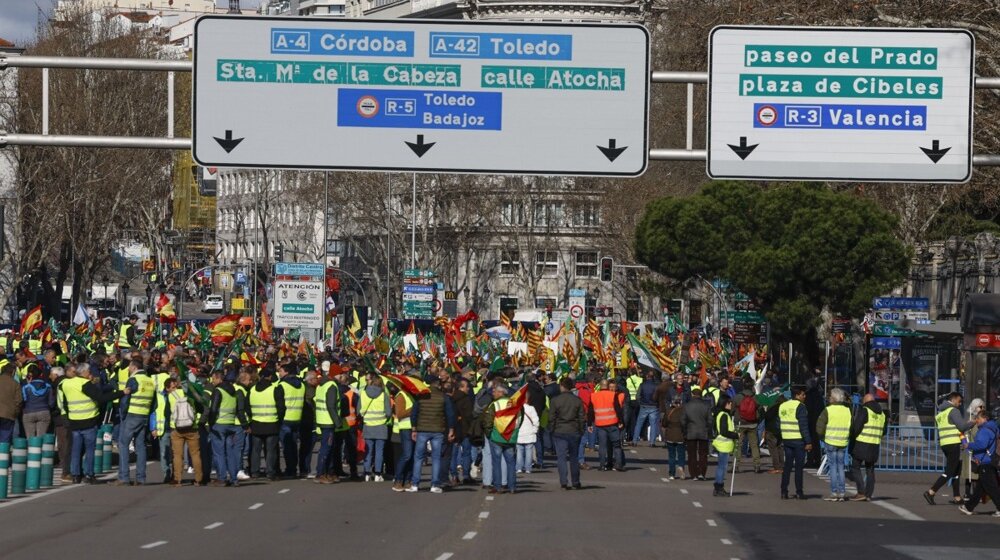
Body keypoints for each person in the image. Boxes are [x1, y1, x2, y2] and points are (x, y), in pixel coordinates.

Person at [58, 363, 123, 483]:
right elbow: (101, 397)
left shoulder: (65, 383)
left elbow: (63, 402)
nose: (90, 374)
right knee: (89, 450)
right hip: (88, 421)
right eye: (89, 371)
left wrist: (68, 415)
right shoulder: (85, 384)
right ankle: (89, 475)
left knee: (76, 450)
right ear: (83, 372)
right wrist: (121, 393)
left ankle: (76, 475)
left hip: (74, 421)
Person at [924, 392, 975, 505]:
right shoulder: (953, 411)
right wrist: (972, 423)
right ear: (953, 399)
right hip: (953, 443)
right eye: (959, 401)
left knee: (956, 470)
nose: (960, 404)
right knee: (950, 471)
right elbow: (962, 427)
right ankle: (931, 492)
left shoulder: (941, 413)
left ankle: (957, 497)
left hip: (945, 443)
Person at [113, 358, 156, 486]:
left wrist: (123, 414)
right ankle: (141, 478)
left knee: (123, 444)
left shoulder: (133, 379)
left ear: (134, 367)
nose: (128, 369)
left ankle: (124, 477)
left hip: (132, 414)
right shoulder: (150, 380)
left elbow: (126, 399)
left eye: (130, 367)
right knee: (140, 446)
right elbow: (154, 403)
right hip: (144, 415)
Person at [409, 377, 456, 493]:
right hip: (438, 430)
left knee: (418, 457)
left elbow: (414, 413)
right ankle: (435, 484)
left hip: (422, 429)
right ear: (439, 385)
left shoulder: (421, 396)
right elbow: (450, 414)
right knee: (436, 458)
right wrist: (451, 429)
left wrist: (414, 429)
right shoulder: (443, 397)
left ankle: (415, 484)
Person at [207, 369, 248, 487]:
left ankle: (222, 478)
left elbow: (214, 408)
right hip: (231, 424)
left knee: (219, 453)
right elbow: (238, 409)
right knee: (230, 453)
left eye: (213, 379)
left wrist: (211, 423)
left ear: (218, 378)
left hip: (219, 424)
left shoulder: (218, 391)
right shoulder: (233, 391)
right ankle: (234, 478)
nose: (212, 381)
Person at [160, 377, 203, 486]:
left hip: (177, 429)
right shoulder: (189, 395)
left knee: (177, 455)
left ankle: (177, 479)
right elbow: (200, 409)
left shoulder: (170, 396)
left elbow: (166, 413)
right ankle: (198, 479)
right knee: (195, 454)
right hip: (192, 427)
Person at [959, 410, 1000, 516]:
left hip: (985, 461)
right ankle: (968, 507)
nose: (976, 420)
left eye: (978, 418)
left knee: (992, 488)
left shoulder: (984, 430)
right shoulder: (993, 427)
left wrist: (968, 445)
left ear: (985, 418)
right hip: (989, 460)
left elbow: (981, 444)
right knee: (980, 488)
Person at [483, 383, 521, 494]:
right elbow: (520, 418)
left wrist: (489, 434)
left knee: (496, 462)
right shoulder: (515, 403)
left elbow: (488, 421)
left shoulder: (494, 404)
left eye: (494, 391)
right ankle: (512, 487)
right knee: (511, 463)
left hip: (497, 437)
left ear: (501, 392)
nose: (493, 393)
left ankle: (498, 486)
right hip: (510, 437)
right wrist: (514, 431)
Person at [248, 370, 285, 481]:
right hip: (272, 424)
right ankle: (270, 472)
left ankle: (254, 471)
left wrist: (251, 418)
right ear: (269, 377)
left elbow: (247, 406)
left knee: (255, 450)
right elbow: (281, 408)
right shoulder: (275, 389)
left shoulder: (252, 389)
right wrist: (279, 420)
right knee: (271, 450)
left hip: (256, 424)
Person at [549, 375, 585, 490]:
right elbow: (581, 418)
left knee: (561, 457)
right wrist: (581, 430)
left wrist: (552, 429)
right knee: (574, 457)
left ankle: (563, 481)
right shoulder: (577, 400)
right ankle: (575, 481)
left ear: (562, 386)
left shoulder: (555, 400)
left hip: (560, 431)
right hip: (574, 430)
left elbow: (552, 417)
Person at [849, 394, 886, 502]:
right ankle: (868, 494)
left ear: (865, 401)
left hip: (862, 443)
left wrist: (852, 437)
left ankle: (861, 492)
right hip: (874, 445)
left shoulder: (865, 410)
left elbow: (857, 427)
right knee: (870, 469)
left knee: (855, 467)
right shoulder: (882, 414)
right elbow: (884, 430)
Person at [816, 388, 851, 501]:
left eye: (830, 396)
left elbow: (820, 427)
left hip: (830, 441)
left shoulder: (828, 410)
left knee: (833, 466)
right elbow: (851, 426)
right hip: (843, 441)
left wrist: (822, 437)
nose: (829, 398)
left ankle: (834, 492)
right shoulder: (847, 410)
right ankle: (842, 492)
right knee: (841, 467)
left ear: (834, 398)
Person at [779, 386, 812, 500]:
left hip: (787, 439)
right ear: (797, 395)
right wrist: (808, 441)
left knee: (787, 466)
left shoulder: (783, 405)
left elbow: (779, 422)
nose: (804, 396)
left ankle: (784, 491)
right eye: (803, 394)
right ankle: (799, 491)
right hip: (798, 440)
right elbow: (803, 426)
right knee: (798, 467)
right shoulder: (801, 407)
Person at [312, 370, 344, 484]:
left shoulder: (321, 385)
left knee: (328, 448)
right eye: (340, 374)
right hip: (328, 421)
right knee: (326, 449)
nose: (342, 377)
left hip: (322, 419)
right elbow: (331, 406)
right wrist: (338, 422)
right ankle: (320, 474)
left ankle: (329, 473)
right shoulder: (331, 386)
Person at [361, 374, 392, 482]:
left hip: (368, 425)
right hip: (381, 426)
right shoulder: (384, 395)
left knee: (368, 450)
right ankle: (378, 474)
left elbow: (359, 410)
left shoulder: (363, 394)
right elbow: (388, 412)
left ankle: (366, 473)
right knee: (379, 451)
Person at [589, 379, 625, 472]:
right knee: (616, 445)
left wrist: (589, 424)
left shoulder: (593, 396)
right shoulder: (613, 395)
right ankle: (619, 464)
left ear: (600, 386)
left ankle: (602, 465)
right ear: (607, 386)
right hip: (612, 423)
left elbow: (590, 411)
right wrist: (621, 421)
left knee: (602, 446)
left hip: (600, 424)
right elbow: (617, 409)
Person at [277, 363, 305, 478]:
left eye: (281, 371)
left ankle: (290, 470)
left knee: (287, 447)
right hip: (297, 417)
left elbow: (280, 405)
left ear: (286, 372)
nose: (279, 373)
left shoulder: (282, 385)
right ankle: (294, 468)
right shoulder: (301, 384)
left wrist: (278, 419)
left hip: (286, 419)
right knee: (293, 446)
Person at [681, 387, 712, 480]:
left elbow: (683, 420)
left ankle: (694, 474)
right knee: (703, 454)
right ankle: (702, 473)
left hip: (691, 432)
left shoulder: (687, 406)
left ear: (692, 395)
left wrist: (684, 431)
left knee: (692, 454)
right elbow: (710, 420)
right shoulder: (706, 405)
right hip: (703, 432)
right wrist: (708, 430)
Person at [733, 380, 762, 473]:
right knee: (754, 445)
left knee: (738, 445)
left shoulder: (737, 396)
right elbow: (760, 409)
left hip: (740, 423)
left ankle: (736, 465)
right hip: (752, 423)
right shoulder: (755, 397)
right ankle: (757, 465)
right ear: (752, 387)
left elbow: (732, 409)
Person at [712, 396, 738, 497]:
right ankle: (719, 487)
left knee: (721, 467)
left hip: (723, 444)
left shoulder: (720, 414)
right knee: (722, 467)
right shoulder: (724, 415)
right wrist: (736, 435)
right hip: (724, 445)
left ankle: (718, 487)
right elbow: (724, 432)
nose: (730, 404)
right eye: (729, 402)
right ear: (724, 403)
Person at [20, 368, 54, 438]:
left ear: (31, 376)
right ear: (41, 374)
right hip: (44, 412)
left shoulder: (26, 387)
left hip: (28, 412)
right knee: (41, 438)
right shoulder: (48, 386)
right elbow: (51, 403)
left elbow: (23, 401)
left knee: (30, 438)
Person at [632, 371, 660, 446]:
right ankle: (652, 442)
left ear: (647, 377)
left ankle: (634, 441)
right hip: (653, 406)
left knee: (639, 424)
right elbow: (658, 397)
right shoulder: (656, 386)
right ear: (653, 377)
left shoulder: (642, 385)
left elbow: (637, 396)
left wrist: (640, 403)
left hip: (644, 406)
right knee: (653, 424)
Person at [663, 397, 686, 480]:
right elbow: (685, 423)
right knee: (681, 454)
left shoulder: (669, 411)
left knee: (671, 456)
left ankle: (672, 474)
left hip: (670, 435)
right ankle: (681, 466)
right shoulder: (684, 411)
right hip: (680, 436)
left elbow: (664, 423)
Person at [0, 361, 21, 445]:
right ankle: (3, 452)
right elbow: (18, 401)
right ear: (13, 372)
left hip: (7, 413)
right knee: (5, 438)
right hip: (8, 414)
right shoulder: (15, 384)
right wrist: (15, 412)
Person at [515, 402, 539, 474]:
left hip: (519, 434)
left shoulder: (516, 409)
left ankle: (519, 468)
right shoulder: (531, 408)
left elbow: (515, 422)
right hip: (529, 434)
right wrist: (535, 430)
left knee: (519, 452)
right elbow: (536, 421)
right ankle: (528, 468)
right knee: (529, 452)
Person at [764, 396, 785, 473]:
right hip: (781, 429)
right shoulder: (785, 407)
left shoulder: (774, 407)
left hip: (772, 429)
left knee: (773, 448)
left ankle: (777, 467)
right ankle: (781, 466)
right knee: (780, 447)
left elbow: (767, 416)